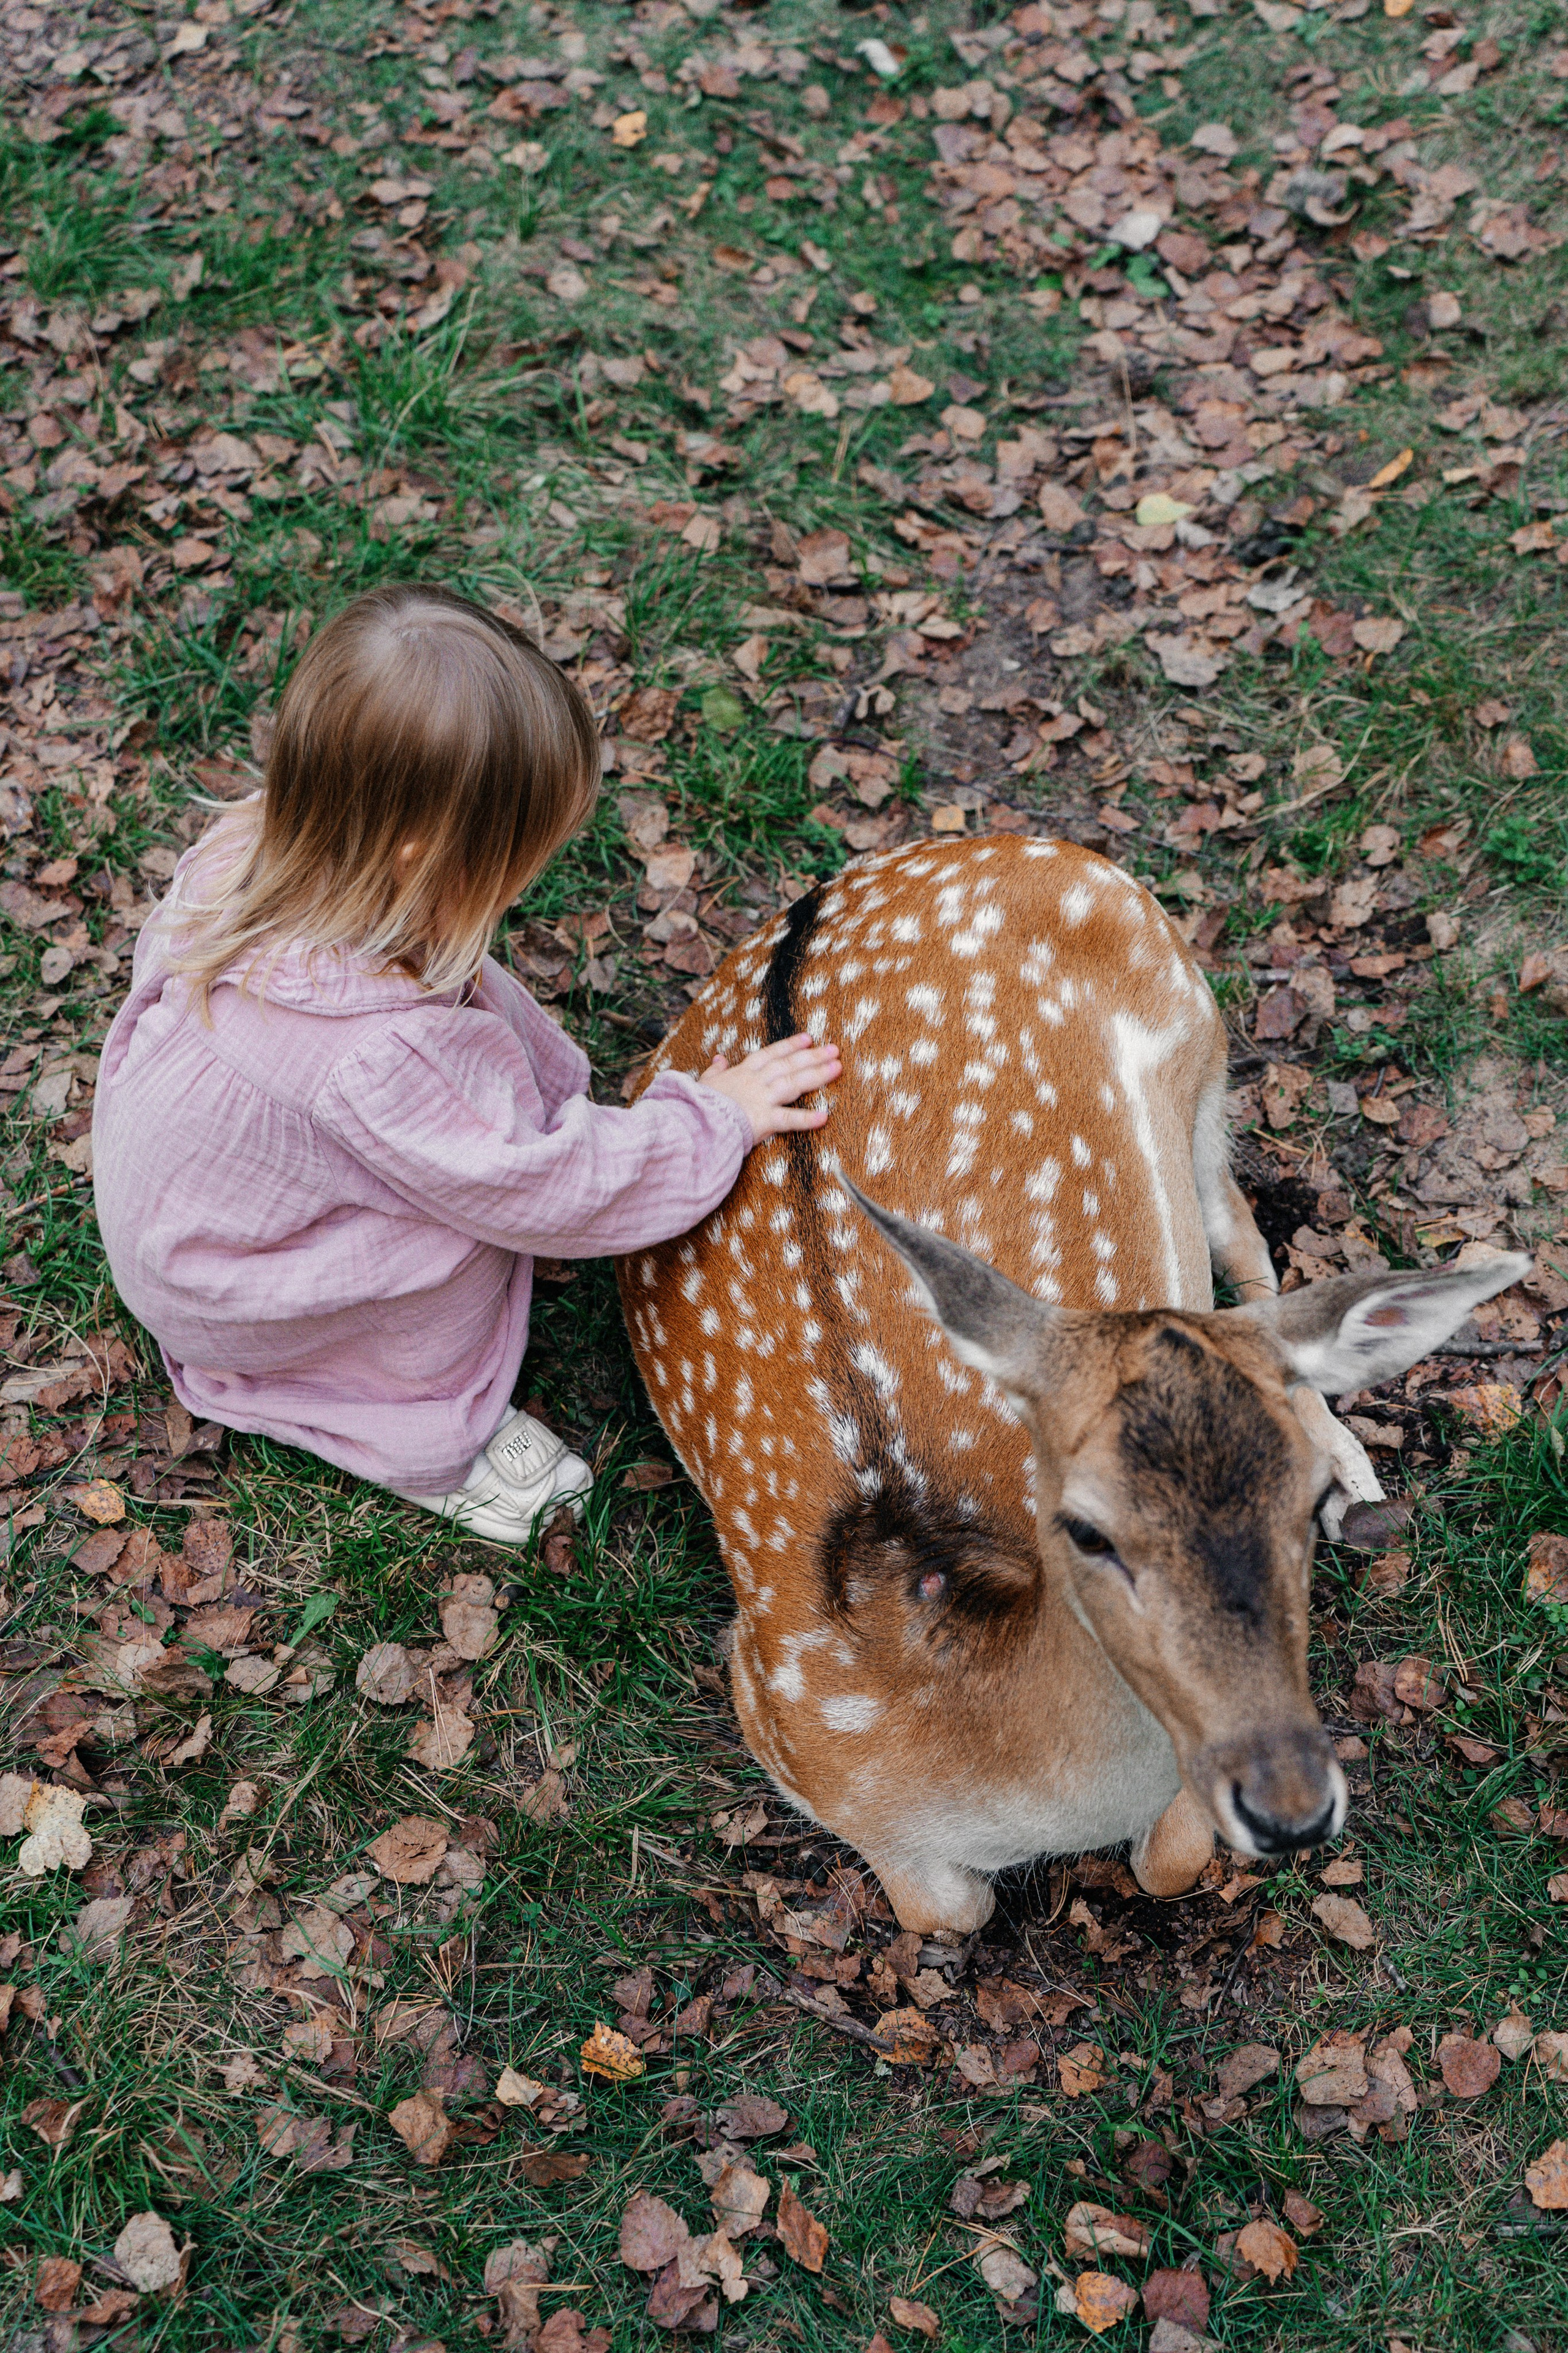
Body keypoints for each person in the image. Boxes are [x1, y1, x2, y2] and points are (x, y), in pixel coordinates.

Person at [92, 584, 840, 1543]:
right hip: (239, 1290)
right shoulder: (378, 1055)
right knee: (459, 1239)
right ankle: (422, 1431)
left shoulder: (256, 845)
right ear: (419, 859)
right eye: (520, 861)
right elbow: (539, 1185)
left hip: (188, 1226)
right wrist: (714, 1121)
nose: (531, 880)